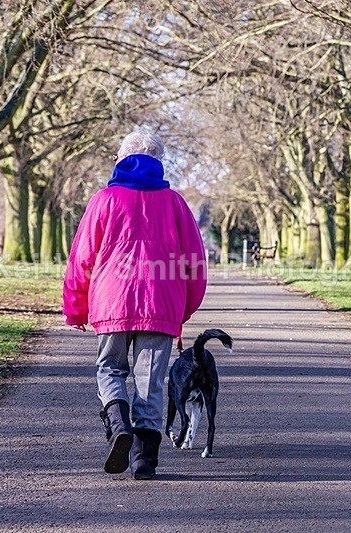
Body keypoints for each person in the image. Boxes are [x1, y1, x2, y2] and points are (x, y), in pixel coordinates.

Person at [63, 129, 207, 480]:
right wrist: (183, 309)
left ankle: (118, 423)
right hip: (161, 304)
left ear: (122, 159)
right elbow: (195, 260)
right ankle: (144, 460)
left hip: (111, 301)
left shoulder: (104, 200)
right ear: (158, 161)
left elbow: (82, 257)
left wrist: (75, 306)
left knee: (110, 369)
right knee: (151, 381)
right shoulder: (174, 203)